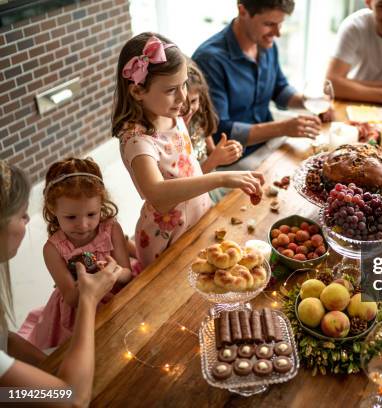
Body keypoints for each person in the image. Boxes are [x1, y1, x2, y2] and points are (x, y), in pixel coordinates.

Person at [112, 33, 264, 268]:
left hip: (198, 218)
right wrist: (221, 177)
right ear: (137, 92)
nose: (183, 97)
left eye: (183, 84)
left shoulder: (171, 115)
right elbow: (157, 194)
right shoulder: (136, 140)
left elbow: (187, 168)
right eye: (171, 89)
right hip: (166, 240)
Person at [0, 160, 121, 406]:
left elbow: (4, 340)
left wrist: (49, 369)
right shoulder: (54, 249)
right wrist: (87, 298)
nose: (27, 223)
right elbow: (73, 399)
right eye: (22, 215)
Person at [17, 158, 134, 350]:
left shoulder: (111, 229)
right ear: (53, 209)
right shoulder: (52, 249)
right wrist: (92, 281)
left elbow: (128, 275)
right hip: (77, 313)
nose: (83, 224)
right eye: (71, 217)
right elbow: (71, 298)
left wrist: (115, 272)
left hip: (117, 298)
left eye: (91, 214)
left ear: (101, 204)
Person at [191, 0, 321, 165]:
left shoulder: (266, 43)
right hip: (238, 159)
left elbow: (279, 89)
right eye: (269, 24)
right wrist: (282, 127)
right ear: (242, 11)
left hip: (271, 144)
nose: (277, 33)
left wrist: (311, 101)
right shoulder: (210, 60)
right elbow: (220, 132)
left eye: (280, 24)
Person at [183, 58, 244, 173]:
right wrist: (214, 161)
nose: (188, 110)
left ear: (201, 97)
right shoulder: (170, 133)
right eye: (182, 103)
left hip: (213, 182)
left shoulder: (198, 120)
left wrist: (226, 152)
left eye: (193, 101)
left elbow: (211, 151)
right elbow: (185, 184)